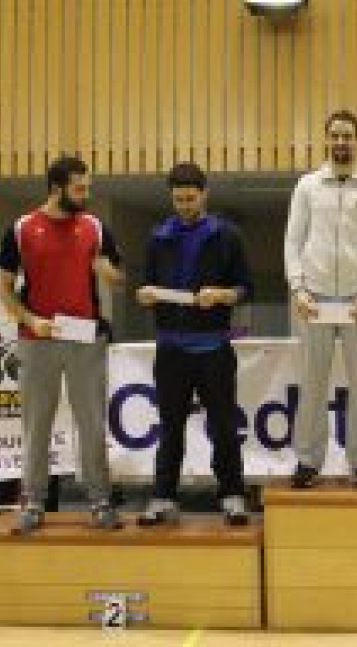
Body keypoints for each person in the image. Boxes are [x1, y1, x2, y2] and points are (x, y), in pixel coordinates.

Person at [0, 155, 123, 533]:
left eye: (87, 187)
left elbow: (119, 277)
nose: (85, 195)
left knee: (92, 423)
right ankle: (33, 501)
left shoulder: (96, 227)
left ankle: (100, 500)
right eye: (79, 188)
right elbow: (4, 290)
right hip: (38, 339)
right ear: (56, 188)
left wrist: (109, 273)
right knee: (37, 424)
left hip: (86, 339)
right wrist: (31, 319)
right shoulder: (21, 229)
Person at [284, 110, 357, 489]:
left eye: (348, 135)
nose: (341, 142)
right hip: (312, 299)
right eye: (335, 136)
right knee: (312, 382)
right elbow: (293, 240)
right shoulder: (308, 186)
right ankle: (307, 461)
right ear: (326, 139)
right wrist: (298, 288)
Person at [136, 162, 251, 526]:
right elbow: (145, 286)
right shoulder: (157, 237)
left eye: (190, 198)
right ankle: (163, 496)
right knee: (170, 428)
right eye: (178, 199)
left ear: (204, 194)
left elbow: (247, 289)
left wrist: (222, 295)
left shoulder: (228, 235)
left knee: (223, 426)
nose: (184, 205)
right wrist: (145, 295)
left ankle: (232, 495)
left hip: (214, 348)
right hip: (170, 349)